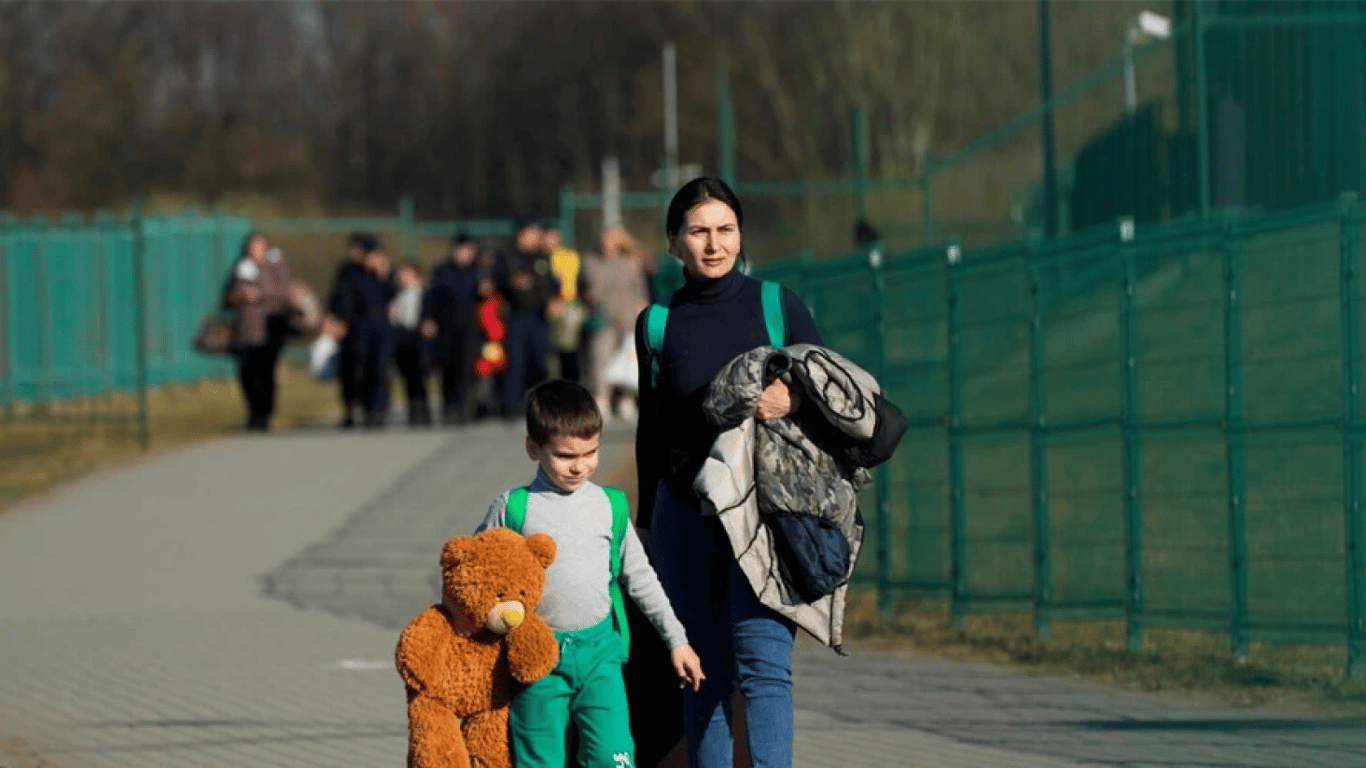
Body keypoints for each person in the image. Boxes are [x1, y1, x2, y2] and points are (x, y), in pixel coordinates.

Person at [633, 177, 823, 768]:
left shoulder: (778, 305)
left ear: (741, 236)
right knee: (701, 673)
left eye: (725, 230)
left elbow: (829, 390)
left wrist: (791, 401)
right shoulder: (658, 324)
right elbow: (650, 430)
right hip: (684, 520)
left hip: (766, 517)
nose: (713, 244)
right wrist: (643, 524)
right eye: (698, 231)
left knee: (765, 664)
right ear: (674, 242)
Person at [475, 379, 705, 768]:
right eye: (566, 455)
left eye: (591, 452)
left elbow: (642, 578)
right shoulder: (513, 509)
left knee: (612, 756)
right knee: (540, 761)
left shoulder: (610, 506)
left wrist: (676, 641)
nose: (580, 465)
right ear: (534, 448)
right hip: (536, 661)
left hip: (603, 656)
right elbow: (477, 578)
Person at [223, 232, 295, 431]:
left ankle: (264, 413)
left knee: (265, 372)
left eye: (259, 246)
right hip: (246, 331)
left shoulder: (275, 267)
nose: (254, 250)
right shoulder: (241, 268)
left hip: (270, 330)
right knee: (247, 373)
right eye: (252, 246)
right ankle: (253, 412)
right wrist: (239, 295)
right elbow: (227, 297)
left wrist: (260, 294)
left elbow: (285, 292)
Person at [582, 226, 651, 420]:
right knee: (601, 359)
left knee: (629, 361)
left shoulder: (630, 262)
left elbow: (640, 290)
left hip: (629, 318)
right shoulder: (590, 262)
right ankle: (602, 399)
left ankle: (626, 399)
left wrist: (641, 310)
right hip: (604, 318)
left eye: (612, 240)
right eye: (604, 239)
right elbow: (587, 288)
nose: (607, 244)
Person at [495, 216, 559, 418]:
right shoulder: (507, 257)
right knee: (516, 361)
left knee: (540, 361)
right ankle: (510, 406)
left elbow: (552, 284)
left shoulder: (542, 257)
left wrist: (554, 299)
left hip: (538, 317)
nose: (536, 236)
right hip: (516, 316)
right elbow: (497, 281)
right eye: (532, 232)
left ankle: (541, 407)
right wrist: (511, 283)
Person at [421, 232, 482, 424]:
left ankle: (463, 405)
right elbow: (430, 297)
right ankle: (449, 406)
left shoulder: (478, 272)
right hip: (446, 327)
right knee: (448, 367)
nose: (464, 254)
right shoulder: (442, 271)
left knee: (466, 368)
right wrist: (428, 319)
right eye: (461, 250)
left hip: (470, 327)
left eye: (468, 250)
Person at [327, 233, 376, 428]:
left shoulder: (373, 272)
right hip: (346, 330)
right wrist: (333, 317)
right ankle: (348, 410)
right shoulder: (345, 271)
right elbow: (336, 296)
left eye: (358, 248)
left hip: (367, 329)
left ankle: (368, 408)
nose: (353, 252)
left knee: (366, 370)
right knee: (346, 372)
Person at [352, 241, 399, 428]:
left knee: (381, 368)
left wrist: (383, 274)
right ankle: (366, 407)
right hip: (362, 325)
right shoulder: (357, 276)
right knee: (364, 368)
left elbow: (392, 294)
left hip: (382, 325)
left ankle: (379, 409)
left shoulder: (386, 277)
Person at [543, 225, 588, 384]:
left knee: (569, 349)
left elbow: (577, 284)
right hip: (547, 310)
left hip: (568, 307)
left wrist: (563, 301)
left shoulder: (570, 257)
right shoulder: (540, 259)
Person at [390, 260, 431, 426]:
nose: (401, 277)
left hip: (419, 337)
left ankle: (423, 411)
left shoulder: (424, 294)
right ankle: (413, 411)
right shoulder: (398, 295)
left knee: (420, 376)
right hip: (402, 337)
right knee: (407, 376)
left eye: (406, 273)